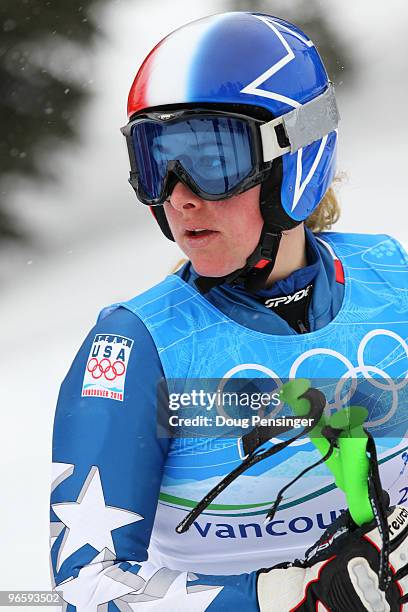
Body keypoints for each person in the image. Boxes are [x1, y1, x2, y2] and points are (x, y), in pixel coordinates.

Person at [49, 12, 408, 611]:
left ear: (297, 157)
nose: (179, 196)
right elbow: (84, 586)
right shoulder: (139, 347)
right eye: (155, 161)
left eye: (212, 159)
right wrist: (277, 596)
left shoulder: (391, 280)